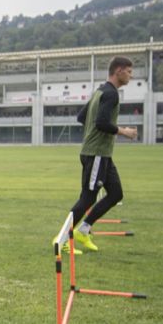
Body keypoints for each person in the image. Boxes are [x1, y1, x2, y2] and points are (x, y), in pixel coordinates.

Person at [66, 56, 138, 253]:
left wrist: (93, 132)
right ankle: (62, 239)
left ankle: (84, 229)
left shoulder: (100, 91)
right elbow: (101, 123)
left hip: (102, 154)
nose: (131, 76)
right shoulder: (111, 94)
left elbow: (82, 117)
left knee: (116, 193)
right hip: (95, 153)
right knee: (88, 198)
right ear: (119, 71)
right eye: (129, 72)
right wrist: (124, 131)